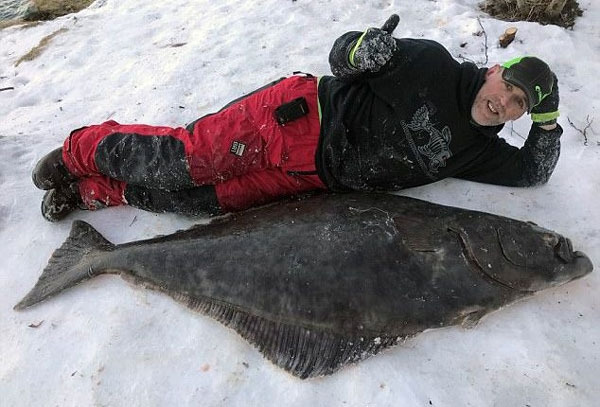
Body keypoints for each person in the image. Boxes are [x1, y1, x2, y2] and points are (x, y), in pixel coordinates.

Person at [32, 15, 561, 222]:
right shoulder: (432, 64)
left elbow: (530, 172)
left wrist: (550, 121)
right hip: (293, 119)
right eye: (508, 87)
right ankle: (80, 152)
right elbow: (342, 56)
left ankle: (97, 192)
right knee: (184, 162)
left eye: (520, 104)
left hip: (309, 178)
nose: (506, 103)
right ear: (495, 70)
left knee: (196, 202)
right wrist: (360, 50)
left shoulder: (480, 150)